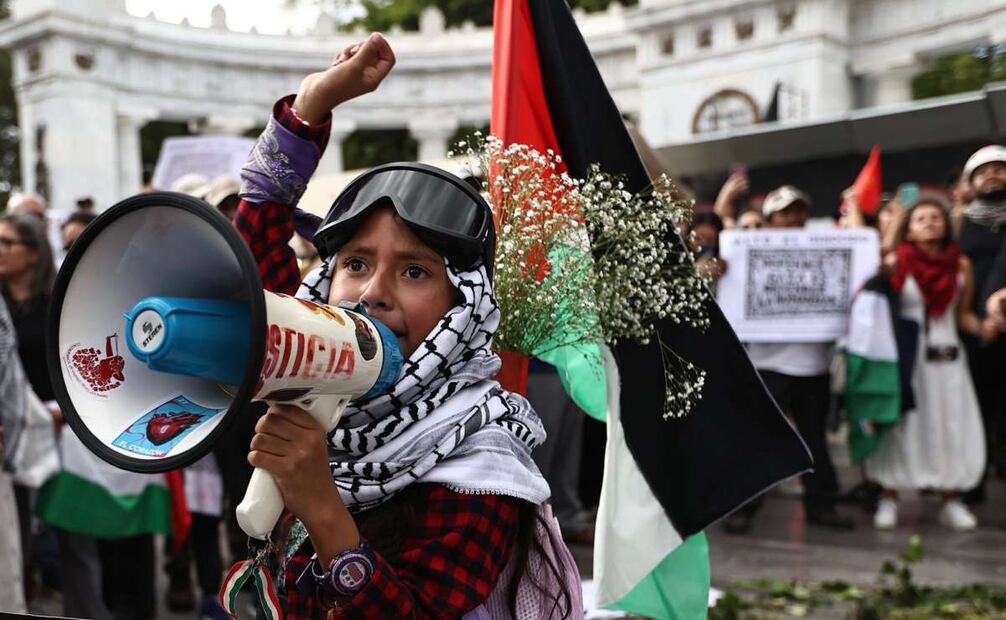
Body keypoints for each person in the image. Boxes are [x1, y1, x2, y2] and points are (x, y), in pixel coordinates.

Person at [234, 33, 580, 619]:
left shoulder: (482, 464)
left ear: (462, 309)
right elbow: (250, 267)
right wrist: (312, 107)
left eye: (415, 271)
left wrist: (321, 506)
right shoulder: (320, 385)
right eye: (355, 264)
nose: (372, 293)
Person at [724, 185, 855, 534]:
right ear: (769, 220)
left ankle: (822, 504)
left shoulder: (823, 248)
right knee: (759, 438)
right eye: (784, 213)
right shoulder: (744, 252)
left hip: (814, 366)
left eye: (798, 211)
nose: (793, 218)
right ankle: (744, 507)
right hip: (768, 366)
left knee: (815, 439)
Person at [864, 195, 990, 530]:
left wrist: (985, 326)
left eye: (936, 217)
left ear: (947, 225)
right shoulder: (896, 262)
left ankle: (951, 499)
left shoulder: (961, 265)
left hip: (949, 359)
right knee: (902, 427)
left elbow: (963, 315)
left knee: (951, 425)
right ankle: (889, 495)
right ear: (909, 229)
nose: (930, 223)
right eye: (920, 219)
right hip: (908, 360)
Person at [0, 213, 58, 601]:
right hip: (10, 434)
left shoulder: (56, 304)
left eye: (7, 242)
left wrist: (60, 412)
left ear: (34, 253)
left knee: (64, 541)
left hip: (56, 430)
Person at [957, 145, 1006, 501]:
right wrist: (976, 322)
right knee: (975, 407)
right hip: (972, 331)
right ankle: (973, 481)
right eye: (982, 171)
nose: (991, 176)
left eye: (999, 169)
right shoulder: (959, 222)